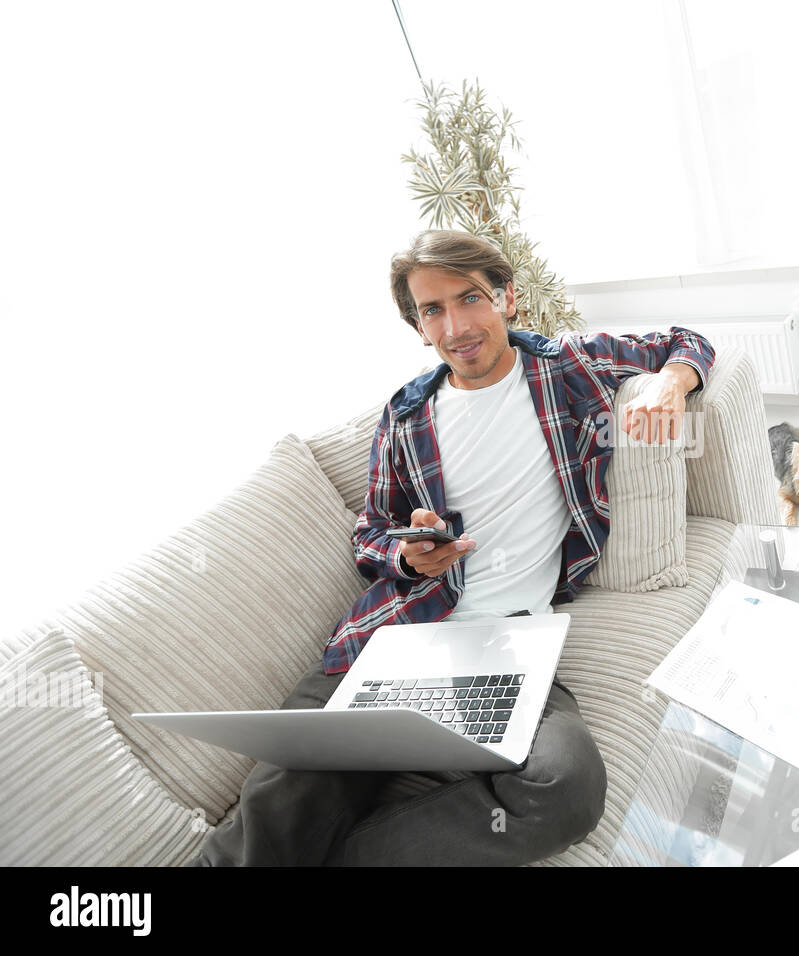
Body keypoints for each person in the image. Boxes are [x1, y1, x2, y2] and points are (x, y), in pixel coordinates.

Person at [191, 229, 715, 866]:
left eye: (469, 299)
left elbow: (688, 342)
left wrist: (670, 384)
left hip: (507, 645)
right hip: (394, 639)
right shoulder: (407, 417)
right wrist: (406, 555)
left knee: (564, 790)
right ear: (419, 327)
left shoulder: (568, 370)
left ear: (507, 299)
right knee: (282, 801)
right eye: (432, 310)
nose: (456, 326)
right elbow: (371, 534)